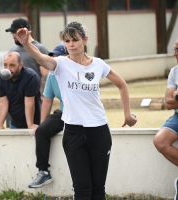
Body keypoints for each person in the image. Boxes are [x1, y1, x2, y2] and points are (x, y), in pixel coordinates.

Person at [16, 21, 137, 199]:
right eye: (67, 41)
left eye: (75, 40)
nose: (70, 45)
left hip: (99, 130)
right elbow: (41, 58)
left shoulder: (98, 64)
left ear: (85, 40)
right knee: (82, 189)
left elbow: (122, 85)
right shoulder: (61, 64)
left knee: (98, 189)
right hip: (73, 132)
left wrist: (127, 114)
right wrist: (26, 43)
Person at [29, 44, 68, 188]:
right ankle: (43, 172)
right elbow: (47, 101)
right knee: (42, 131)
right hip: (64, 113)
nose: (53, 59)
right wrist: (41, 125)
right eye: (52, 56)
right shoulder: (52, 75)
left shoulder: (76, 71)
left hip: (81, 115)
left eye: (57, 56)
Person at [153, 39, 178, 199]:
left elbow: (173, 97)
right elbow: (168, 102)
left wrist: (176, 94)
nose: (175, 53)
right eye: (174, 49)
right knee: (160, 141)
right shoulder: (174, 71)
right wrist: (174, 95)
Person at [0, 51, 41, 129]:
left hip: (35, 122)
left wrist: (30, 125)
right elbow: (3, 101)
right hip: (15, 123)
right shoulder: (1, 77)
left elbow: (29, 101)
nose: (8, 69)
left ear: (20, 65)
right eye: (5, 65)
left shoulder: (30, 76)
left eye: (12, 65)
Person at [5, 18, 49, 95]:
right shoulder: (12, 50)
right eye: (12, 33)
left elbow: (45, 75)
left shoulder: (39, 49)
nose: (13, 36)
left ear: (26, 31)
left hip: (34, 95)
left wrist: (42, 95)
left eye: (15, 33)